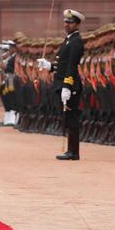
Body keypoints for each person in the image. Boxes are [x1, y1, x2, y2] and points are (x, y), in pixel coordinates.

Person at [39, 9, 85, 160]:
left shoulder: (76, 41)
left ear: (77, 24)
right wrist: (50, 66)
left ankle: (73, 151)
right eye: (65, 22)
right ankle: (71, 150)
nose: (66, 25)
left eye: (70, 22)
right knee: (67, 117)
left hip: (68, 85)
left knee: (71, 117)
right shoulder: (69, 40)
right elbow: (63, 65)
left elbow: (72, 66)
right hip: (62, 82)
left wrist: (67, 85)